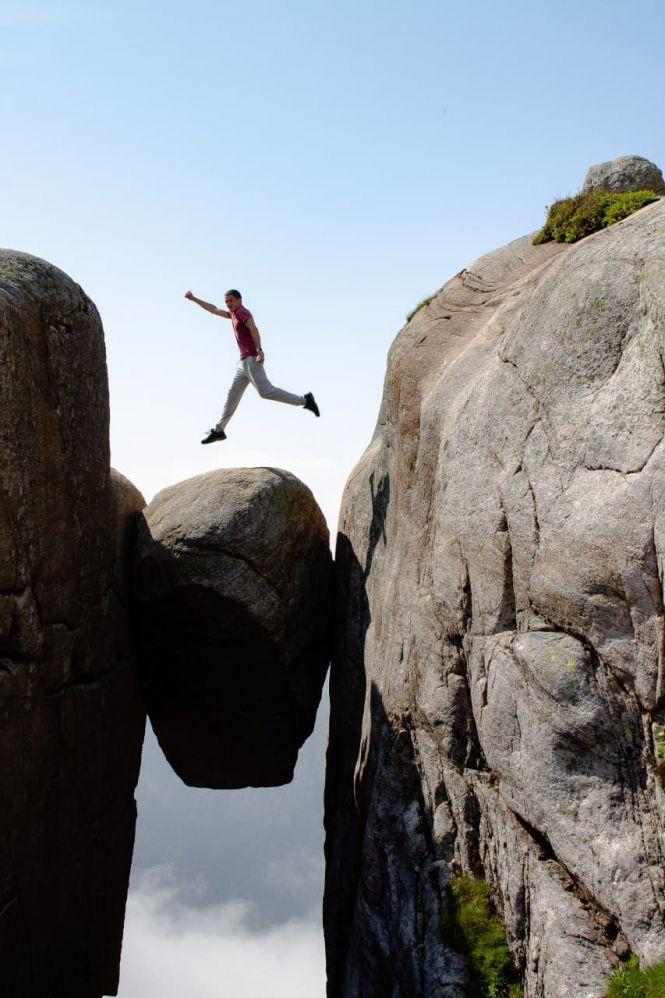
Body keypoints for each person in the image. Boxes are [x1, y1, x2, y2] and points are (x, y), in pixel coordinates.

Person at [185, 288, 320, 444]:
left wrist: (259, 350)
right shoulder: (233, 315)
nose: (228, 304)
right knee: (232, 396)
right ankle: (219, 430)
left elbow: (254, 329)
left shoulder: (243, 313)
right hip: (243, 364)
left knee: (266, 392)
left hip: (251, 360)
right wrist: (194, 299)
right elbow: (214, 310)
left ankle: (305, 401)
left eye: (231, 300)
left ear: (239, 300)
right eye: (226, 302)